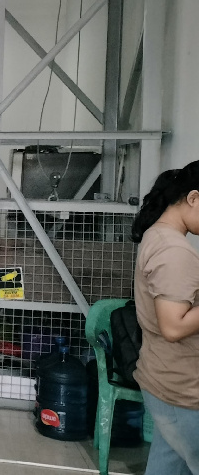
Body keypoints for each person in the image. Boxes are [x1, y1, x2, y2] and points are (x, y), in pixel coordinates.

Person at [130, 160, 199, 475]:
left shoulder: (158, 235)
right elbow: (173, 326)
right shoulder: (174, 250)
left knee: (168, 463)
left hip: (165, 378)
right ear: (193, 198)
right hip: (183, 387)